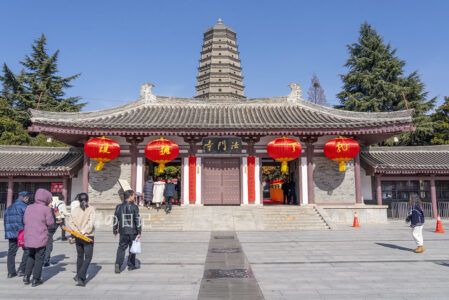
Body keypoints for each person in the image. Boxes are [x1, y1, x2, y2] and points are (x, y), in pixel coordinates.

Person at [23, 188, 54, 287]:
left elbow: (24, 220)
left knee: (30, 256)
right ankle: (36, 279)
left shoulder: (29, 207)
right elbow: (50, 223)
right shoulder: (46, 209)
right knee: (39, 258)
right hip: (40, 236)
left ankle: (26, 276)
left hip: (29, 236)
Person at [69, 193, 95, 287]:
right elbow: (91, 222)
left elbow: (70, 223)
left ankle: (77, 274)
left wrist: (77, 231)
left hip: (77, 235)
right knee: (88, 257)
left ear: (78, 200)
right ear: (87, 200)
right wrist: (84, 231)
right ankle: (81, 277)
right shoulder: (91, 208)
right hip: (88, 235)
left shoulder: (74, 210)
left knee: (80, 256)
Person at [4, 191, 31, 278]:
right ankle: (22, 269)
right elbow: (27, 220)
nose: (28, 199)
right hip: (22, 233)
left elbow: (5, 221)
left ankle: (11, 272)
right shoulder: (25, 207)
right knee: (27, 250)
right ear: (24, 197)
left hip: (11, 233)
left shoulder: (9, 207)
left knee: (11, 252)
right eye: (27, 197)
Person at [113, 190, 141, 273]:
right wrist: (139, 232)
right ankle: (131, 265)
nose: (134, 197)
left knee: (121, 248)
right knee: (132, 249)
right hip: (133, 231)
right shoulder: (134, 207)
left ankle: (118, 264)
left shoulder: (118, 207)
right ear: (130, 197)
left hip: (123, 231)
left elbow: (115, 219)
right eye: (133, 195)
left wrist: (115, 230)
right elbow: (137, 220)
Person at [43, 202, 60, 267]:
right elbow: (59, 220)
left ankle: (42, 261)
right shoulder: (54, 210)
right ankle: (46, 262)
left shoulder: (41, 210)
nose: (51, 203)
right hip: (49, 231)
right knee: (48, 246)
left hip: (42, 230)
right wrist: (54, 227)